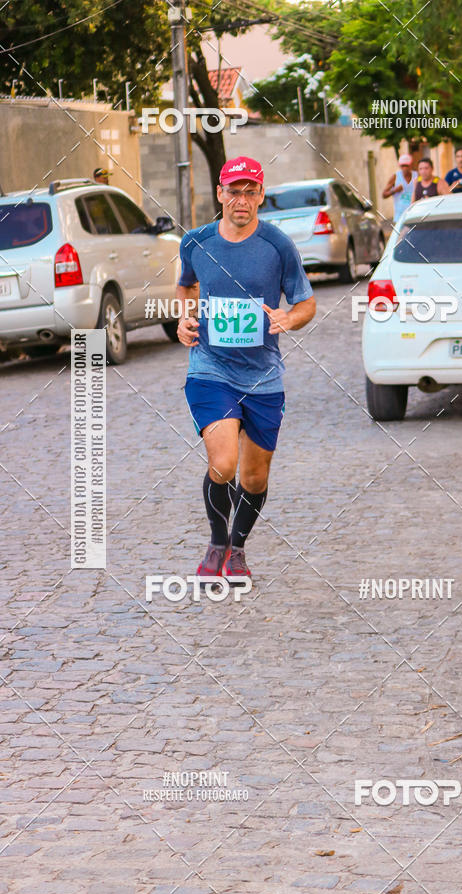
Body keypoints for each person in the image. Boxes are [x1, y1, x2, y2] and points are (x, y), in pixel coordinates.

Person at [176, 156, 316, 582]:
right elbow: (186, 286)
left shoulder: (277, 245)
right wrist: (184, 318)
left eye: (250, 191)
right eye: (233, 191)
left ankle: (237, 548)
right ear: (220, 193)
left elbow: (306, 301)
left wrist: (289, 319)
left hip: (263, 376)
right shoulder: (196, 242)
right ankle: (217, 543)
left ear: (260, 195)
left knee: (254, 477)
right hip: (210, 368)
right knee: (223, 463)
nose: (242, 200)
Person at [382, 154, 418, 222]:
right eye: (402, 166)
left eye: (406, 165)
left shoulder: (417, 175)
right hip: (400, 216)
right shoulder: (395, 177)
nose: (404, 168)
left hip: (415, 213)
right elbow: (384, 195)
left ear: (411, 165)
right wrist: (394, 190)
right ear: (399, 166)